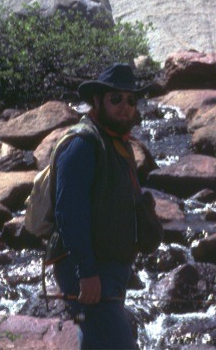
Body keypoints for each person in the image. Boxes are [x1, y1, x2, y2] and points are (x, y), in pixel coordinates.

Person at [52, 63, 151, 349]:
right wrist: (86, 272)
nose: (124, 107)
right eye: (115, 99)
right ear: (97, 101)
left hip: (109, 270)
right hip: (87, 270)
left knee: (94, 341)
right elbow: (68, 213)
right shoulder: (84, 144)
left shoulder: (117, 143)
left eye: (130, 100)